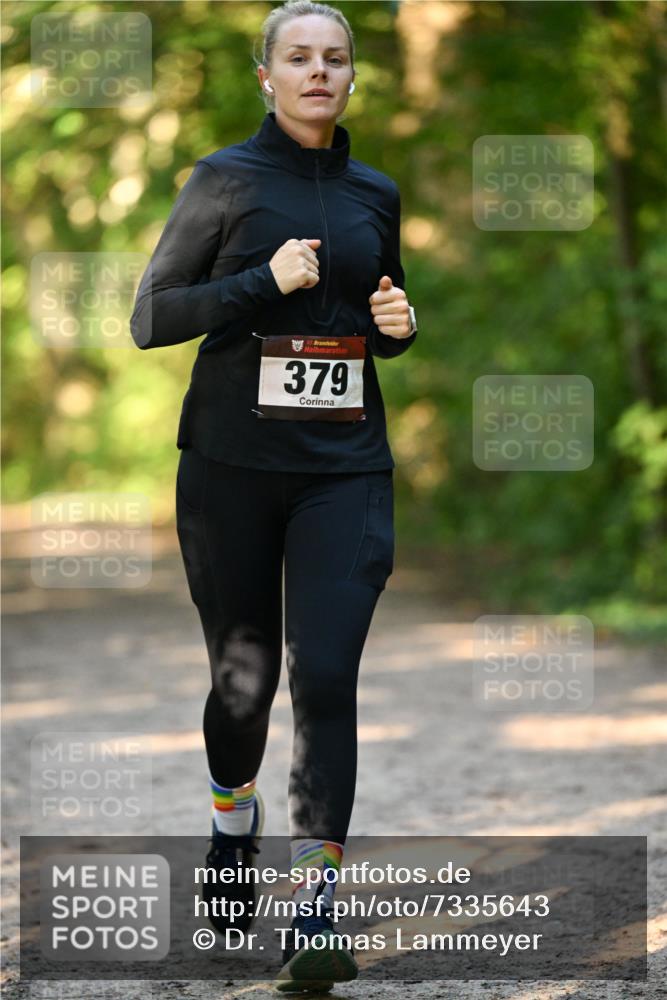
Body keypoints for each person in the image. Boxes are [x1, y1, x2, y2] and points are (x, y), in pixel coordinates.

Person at [130, 0, 418, 991]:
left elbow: (375, 314)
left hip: (345, 468)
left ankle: (315, 915)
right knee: (242, 687)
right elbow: (152, 317)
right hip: (231, 468)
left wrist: (397, 326)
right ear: (267, 76)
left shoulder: (376, 191)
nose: (317, 71)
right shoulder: (222, 179)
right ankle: (230, 825)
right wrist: (262, 279)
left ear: (351, 76)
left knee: (325, 677)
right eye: (297, 57)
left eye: (333, 57)